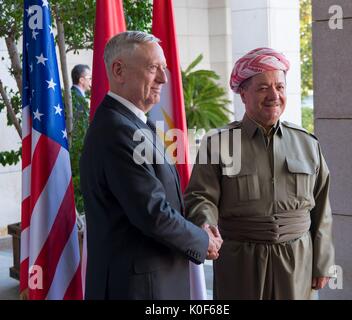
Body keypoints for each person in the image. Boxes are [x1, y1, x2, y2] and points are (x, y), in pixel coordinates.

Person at [79, 31, 222, 300]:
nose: (164, 79)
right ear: (118, 71)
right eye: (154, 68)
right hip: (138, 289)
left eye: (164, 69)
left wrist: (198, 227)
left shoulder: (131, 122)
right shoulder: (117, 130)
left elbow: (162, 198)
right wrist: (203, 242)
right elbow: (152, 213)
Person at [184, 47, 335, 300]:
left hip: (298, 261)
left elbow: (322, 207)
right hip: (240, 261)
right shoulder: (219, 144)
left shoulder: (307, 143)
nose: (274, 95)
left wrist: (323, 260)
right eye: (263, 87)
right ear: (243, 94)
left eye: (280, 87)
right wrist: (205, 224)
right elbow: (201, 196)